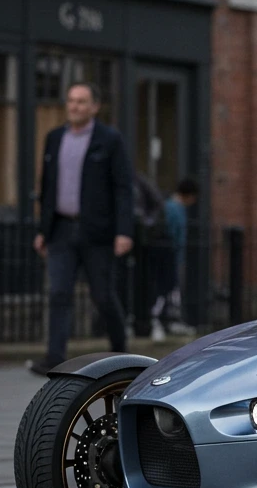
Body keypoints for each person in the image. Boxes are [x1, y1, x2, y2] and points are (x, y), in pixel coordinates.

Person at [29, 82, 133, 375]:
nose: (74, 106)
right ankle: (54, 357)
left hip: (97, 232)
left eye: (81, 101)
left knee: (102, 294)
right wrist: (43, 230)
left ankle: (122, 352)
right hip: (61, 228)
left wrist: (124, 231)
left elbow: (123, 188)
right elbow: (47, 187)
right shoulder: (54, 138)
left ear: (94, 107)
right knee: (59, 293)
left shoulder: (109, 140)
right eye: (71, 100)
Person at [150, 178, 199, 341]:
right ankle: (161, 320)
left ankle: (169, 320)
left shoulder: (170, 207)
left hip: (169, 253)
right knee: (167, 286)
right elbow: (175, 234)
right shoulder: (174, 209)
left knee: (171, 288)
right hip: (169, 254)